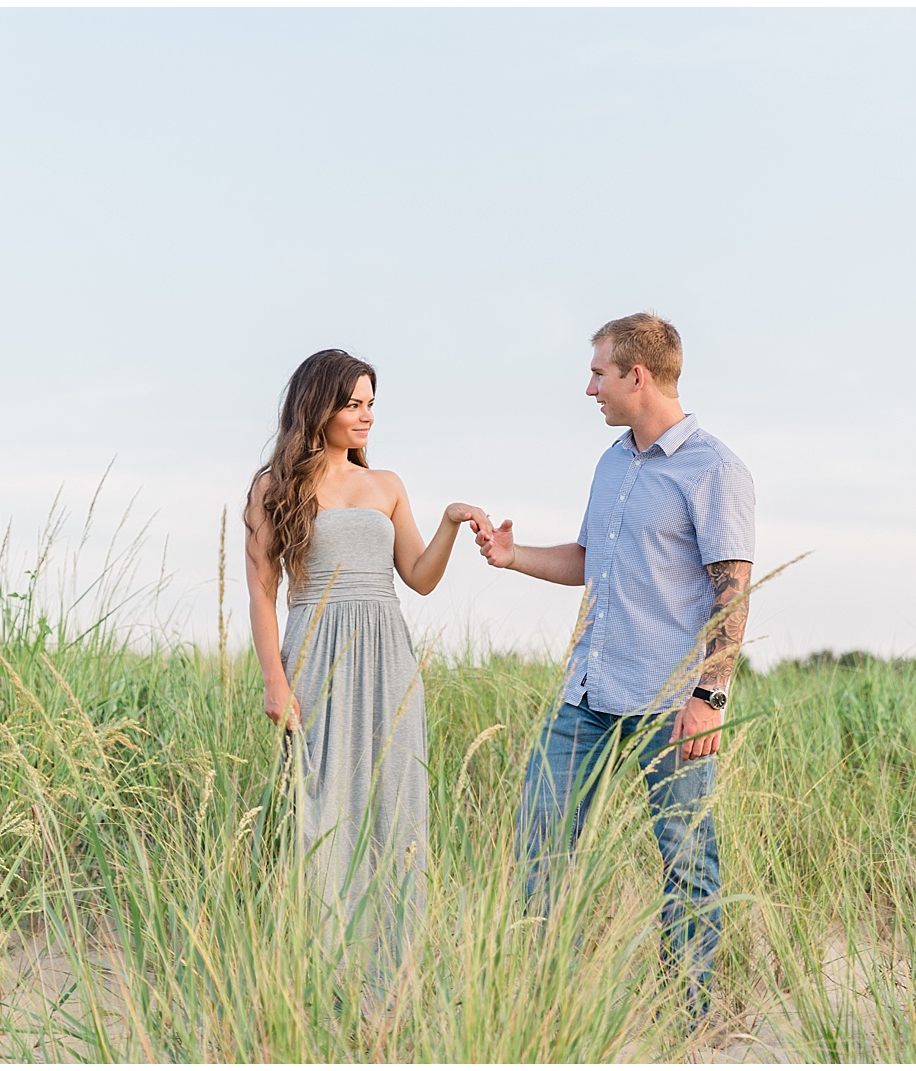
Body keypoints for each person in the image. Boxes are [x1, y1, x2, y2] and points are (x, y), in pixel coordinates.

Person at [472, 312, 754, 1016]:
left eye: (599, 373)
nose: (589, 387)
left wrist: (709, 696)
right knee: (539, 840)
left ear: (638, 375)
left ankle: (685, 1019)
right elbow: (588, 560)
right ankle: (545, 1006)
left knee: (687, 859)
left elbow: (733, 591)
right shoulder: (613, 462)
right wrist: (513, 557)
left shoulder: (715, 467)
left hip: (670, 700)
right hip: (588, 694)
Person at [244, 348, 486, 969]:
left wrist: (450, 524)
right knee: (319, 811)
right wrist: (275, 680)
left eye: (371, 404)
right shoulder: (275, 486)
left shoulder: (387, 486)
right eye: (353, 404)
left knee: (394, 807)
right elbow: (263, 594)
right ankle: (319, 968)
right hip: (316, 654)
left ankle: (390, 974)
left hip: (388, 659)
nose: (366, 416)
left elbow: (419, 578)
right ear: (317, 406)